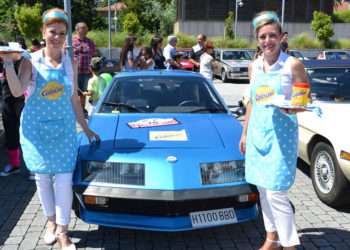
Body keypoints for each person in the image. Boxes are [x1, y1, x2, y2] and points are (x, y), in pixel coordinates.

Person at [0, 8, 99, 250]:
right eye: (52, 31)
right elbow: (16, 92)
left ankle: (64, 232)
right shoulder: (30, 61)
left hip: (64, 130)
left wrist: (85, 128)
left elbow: (74, 99)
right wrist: (8, 65)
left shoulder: (69, 62)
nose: (57, 37)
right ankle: (51, 223)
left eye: (62, 33)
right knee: (43, 180)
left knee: (64, 180)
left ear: (66, 35)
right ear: (43, 32)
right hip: (35, 132)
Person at [239, 11, 308, 250]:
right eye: (262, 37)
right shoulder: (254, 66)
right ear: (257, 40)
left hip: (282, 136)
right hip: (258, 133)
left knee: (276, 193)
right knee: (262, 190)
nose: (267, 41)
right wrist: (245, 133)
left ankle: (289, 245)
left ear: (282, 37)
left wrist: (292, 108)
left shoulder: (293, 65)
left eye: (272, 36)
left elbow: (302, 102)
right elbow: (251, 102)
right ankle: (272, 238)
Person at [0, 41, 25, 177]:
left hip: (20, 102)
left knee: (27, 133)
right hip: (6, 102)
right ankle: (14, 165)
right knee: (10, 134)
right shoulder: (3, 63)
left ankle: (33, 168)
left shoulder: (20, 62)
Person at [72, 22, 96, 111]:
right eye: (83, 28)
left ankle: (82, 109)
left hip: (86, 71)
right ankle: (75, 109)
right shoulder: (71, 41)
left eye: (86, 28)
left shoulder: (90, 42)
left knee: (84, 91)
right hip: (74, 72)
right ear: (77, 30)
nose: (86, 30)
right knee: (74, 91)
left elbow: (93, 54)